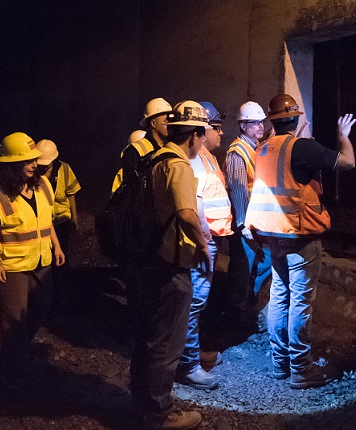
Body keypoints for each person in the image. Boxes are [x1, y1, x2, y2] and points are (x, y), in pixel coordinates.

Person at [245, 94, 356, 389]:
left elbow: (289, 170)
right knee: (301, 303)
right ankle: (301, 369)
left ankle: (280, 364)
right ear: (295, 119)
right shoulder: (302, 148)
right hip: (298, 234)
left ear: (273, 120)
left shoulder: (264, 148)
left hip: (273, 234)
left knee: (279, 297)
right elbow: (347, 162)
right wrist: (342, 137)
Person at [129, 100, 210, 430]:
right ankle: (160, 414)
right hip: (169, 264)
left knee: (148, 334)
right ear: (193, 136)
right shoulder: (178, 166)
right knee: (167, 342)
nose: (202, 144)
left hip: (148, 259)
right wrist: (203, 246)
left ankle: (141, 401)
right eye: (202, 137)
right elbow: (187, 213)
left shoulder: (154, 159)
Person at [0, 132, 66, 385]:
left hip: (42, 261)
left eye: (34, 160)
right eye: (27, 161)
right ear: (11, 164)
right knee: (13, 319)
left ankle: (16, 354)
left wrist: (57, 246)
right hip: (12, 266)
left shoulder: (43, 186)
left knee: (40, 308)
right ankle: (14, 373)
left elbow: (46, 221)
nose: (33, 164)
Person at [175, 102, 232, 390]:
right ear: (200, 130)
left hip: (207, 241)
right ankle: (187, 365)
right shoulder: (193, 159)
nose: (219, 132)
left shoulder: (204, 155)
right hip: (201, 242)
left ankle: (191, 355)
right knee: (193, 303)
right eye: (214, 127)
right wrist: (203, 239)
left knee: (196, 303)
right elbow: (192, 204)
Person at [225, 101, 273, 333]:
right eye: (254, 123)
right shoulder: (237, 152)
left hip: (254, 222)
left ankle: (245, 313)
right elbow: (237, 188)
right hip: (244, 224)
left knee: (255, 268)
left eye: (261, 121)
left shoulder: (255, 146)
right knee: (242, 273)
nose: (260, 126)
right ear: (243, 126)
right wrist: (243, 223)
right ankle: (236, 321)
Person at [112, 98, 172, 193]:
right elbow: (130, 188)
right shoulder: (135, 150)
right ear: (153, 123)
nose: (170, 125)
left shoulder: (169, 148)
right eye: (165, 121)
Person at [36, 139, 81, 268]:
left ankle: (62, 282)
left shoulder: (65, 169)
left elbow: (71, 194)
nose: (43, 167)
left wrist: (75, 218)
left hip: (61, 220)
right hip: (42, 220)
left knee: (62, 252)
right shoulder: (32, 172)